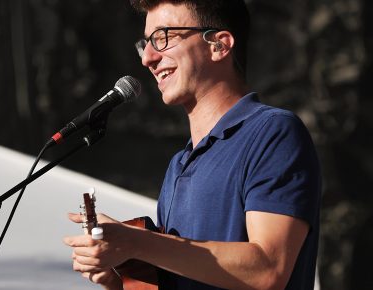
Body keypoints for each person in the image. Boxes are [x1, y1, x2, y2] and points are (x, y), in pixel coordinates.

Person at [63, 1, 321, 289]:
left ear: (219, 46)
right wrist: (119, 279)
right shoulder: (179, 164)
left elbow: (269, 269)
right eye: (145, 44)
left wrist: (136, 242)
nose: (147, 58)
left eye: (163, 37)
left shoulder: (273, 132)